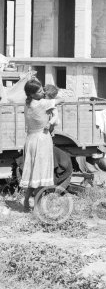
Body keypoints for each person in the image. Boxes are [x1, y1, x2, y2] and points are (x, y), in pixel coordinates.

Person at [20, 79, 57, 212]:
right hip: (42, 139)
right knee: (41, 174)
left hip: (31, 139)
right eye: (40, 91)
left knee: (33, 175)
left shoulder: (28, 103)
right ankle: (37, 206)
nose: (43, 92)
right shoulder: (40, 104)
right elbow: (61, 100)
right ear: (32, 94)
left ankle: (26, 202)